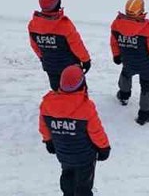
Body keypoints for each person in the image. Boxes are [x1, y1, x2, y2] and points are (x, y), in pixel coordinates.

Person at [39, 64, 110, 196]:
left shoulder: (47, 104)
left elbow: (44, 127)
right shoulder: (86, 107)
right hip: (85, 157)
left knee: (67, 175)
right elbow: (96, 132)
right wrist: (104, 148)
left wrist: (48, 141)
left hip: (63, 154)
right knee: (84, 185)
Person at [110, 0, 149, 125]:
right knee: (147, 86)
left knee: (126, 74)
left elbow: (114, 42)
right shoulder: (147, 28)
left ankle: (123, 96)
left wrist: (116, 55)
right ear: (141, 11)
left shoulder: (117, 24)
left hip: (128, 61)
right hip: (146, 64)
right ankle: (145, 114)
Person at [29, 0, 92, 91]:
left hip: (50, 66)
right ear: (58, 4)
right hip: (70, 69)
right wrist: (86, 60)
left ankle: (57, 106)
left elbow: (34, 46)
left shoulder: (33, 24)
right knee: (78, 93)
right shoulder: (64, 25)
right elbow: (77, 45)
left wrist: (43, 58)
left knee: (57, 90)